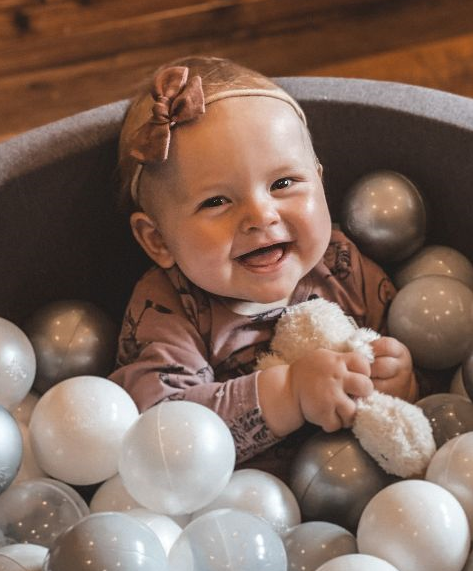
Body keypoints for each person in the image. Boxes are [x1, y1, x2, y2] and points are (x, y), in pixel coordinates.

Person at [110, 56, 416, 467]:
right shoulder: (168, 306)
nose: (261, 216)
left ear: (321, 182)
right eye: (216, 201)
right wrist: (289, 394)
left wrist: (401, 382)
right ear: (158, 239)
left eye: (283, 183)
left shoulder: (341, 265)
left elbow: (410, 351)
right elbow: (159, 434)